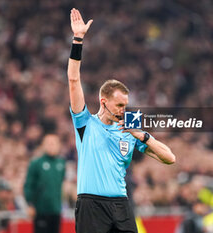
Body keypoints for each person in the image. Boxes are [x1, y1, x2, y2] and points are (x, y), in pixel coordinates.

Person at [68, 8, 176, 233]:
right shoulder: (85, 123)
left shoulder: (130, 129)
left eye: (125, 105)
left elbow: (170, 158)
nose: (123, 110)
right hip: (91, 205)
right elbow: (73, 79)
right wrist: (78, 39)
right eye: (119, 105)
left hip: (121, 204)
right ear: (103, 101)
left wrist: (143, 136)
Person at [24, 134, 66, 233]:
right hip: (40, 210)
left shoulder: (61, 163)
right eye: (49, 143)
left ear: (59, 145)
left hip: (56, 209)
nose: (51, 146)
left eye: (54, 143)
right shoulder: (36, 163)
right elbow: (29, 185)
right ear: (43, 145)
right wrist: (30, 204)